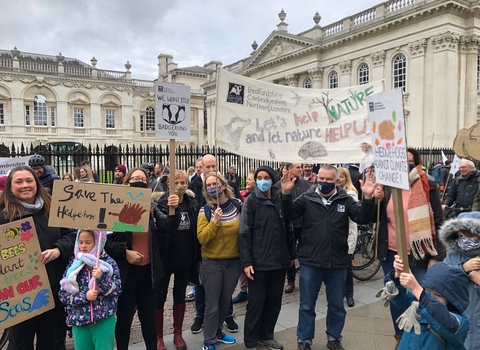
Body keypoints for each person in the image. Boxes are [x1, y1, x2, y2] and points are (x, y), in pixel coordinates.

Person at [281, 164, 377, 350]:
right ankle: (304, 340)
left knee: (336, 305)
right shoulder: (307, 198)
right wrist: (285, 195)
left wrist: (367, 198)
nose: (324, 182)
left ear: (337, 180)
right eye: (322, 179)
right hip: (311, 261)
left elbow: (362, 218)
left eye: (329, 179)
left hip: (337, 262)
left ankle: (334, 338)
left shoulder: (345, 199)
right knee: (307, 305)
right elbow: (289, 215)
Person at [0, 165, 76, 350]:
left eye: (29, 180)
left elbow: (72, 235)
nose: (25, 185)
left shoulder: (54, 209)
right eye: (19, 182)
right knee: (20, 342)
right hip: (21, 294)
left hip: (53, 287)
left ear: (37, 184)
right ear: (10, 188)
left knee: (51, 340)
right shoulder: (3, 217)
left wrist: (58, 249)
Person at [375, 148, 444, 349]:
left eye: (409, 162)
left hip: (419, 254)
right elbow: (373, 218)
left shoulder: (426, 184)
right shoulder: (387, 186)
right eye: (400, 161)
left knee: (421, 297)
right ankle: (400, 338)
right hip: (391, 253)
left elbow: (438, 221)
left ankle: (420, 339)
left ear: (416, 163)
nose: (404, 165)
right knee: (395, 295)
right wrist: (374, 199)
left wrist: (436, 257)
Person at [105, 167, 164, 350]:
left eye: (142, 179)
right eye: (134, 179)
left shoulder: (153, 207)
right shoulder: (116, 208)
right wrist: (125, 252)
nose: (138, 181)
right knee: (124, 317)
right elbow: (107, 242)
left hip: (148, 272)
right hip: (126, 273)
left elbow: (167, 226)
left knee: (148, 317)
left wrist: (172, 208)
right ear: (127, 182)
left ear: (148, 183)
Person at [240, 165, 296, 350]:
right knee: (256, 302)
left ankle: (267, 335)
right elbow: (244, 233)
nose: (263, 180)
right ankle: (250, 341)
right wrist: (246, 262)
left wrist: (291, 255)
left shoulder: (281, 198)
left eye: (266, 177)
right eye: (259, 177)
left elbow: (289, 226)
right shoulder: (251, 201)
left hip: (279, 260)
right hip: (258, 262)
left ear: (272, 179)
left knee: (274, 301)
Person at [190, 154, 237, 334]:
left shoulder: (231, 194)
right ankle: (201, 317)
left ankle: (227, 317)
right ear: (201, 166)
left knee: (225, 294)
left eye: (213, 166)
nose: (211, 169)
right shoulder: (194, 185)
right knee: (205, 290)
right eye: (207, 166)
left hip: (230, 255)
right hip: (206, 248)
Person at [380, 256, 469, 349]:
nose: (430, 296)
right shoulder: (418, 305)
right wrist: (397, 276)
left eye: (437, 295)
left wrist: (417, 289)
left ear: (452, 298)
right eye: (427, 291)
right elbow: (399, 296)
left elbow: (443, 319)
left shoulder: (460, 322)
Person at [154, 170, 201, 350]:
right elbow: (163, 226)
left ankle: (177, 333)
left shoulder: (192, 203)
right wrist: (169, 209)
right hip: (165, 259)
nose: (181, 186)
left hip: (185, 257)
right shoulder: (160, 203)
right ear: (169, 185)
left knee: (179, 295)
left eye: (184, 183)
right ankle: (158, 336)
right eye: (177, 182)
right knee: (160, 296)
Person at [198, 172, 242, 350]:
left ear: (223, 185)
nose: (211, 188)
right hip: (212, 262)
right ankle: (208, 341)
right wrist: (214, 221)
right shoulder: (205, 211)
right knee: (212, 304)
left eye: (214, 184)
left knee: (225, 302)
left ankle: (217, 331)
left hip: (233, 261)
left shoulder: (238, 205)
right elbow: (202, 238)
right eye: (208, 185)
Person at [59, 230, 122, 350]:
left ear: (98, 242)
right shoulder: (72, 267)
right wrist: (84, 296)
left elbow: (116, 290)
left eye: (88, 242)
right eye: (80, 242)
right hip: (79, 321)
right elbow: (63, 296)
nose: (83, 246)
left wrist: (101, 278)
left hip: (103, 320)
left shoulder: (108, 264)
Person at [440, 211, 480, 349]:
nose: (465, 240)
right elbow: (440, 280)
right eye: (461, 236)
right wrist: (462, 269)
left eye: (470, 236)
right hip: (458, 323)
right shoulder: (453, 257)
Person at [281, 163, 310, 294]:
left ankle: (306, 279)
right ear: (289, 169)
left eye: (300, 167)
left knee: (304, 253)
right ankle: (290, 281)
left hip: (304, 224)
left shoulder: (305, 183)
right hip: (289, 224)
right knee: (290, 253)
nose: (300, 169)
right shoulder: (282, 183)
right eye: (297, 167)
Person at [337, 167, 358, 308]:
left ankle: (349, 294)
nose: (339, 179)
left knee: (347, 266)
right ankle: (338, 292)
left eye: (342, 177)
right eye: (337, 176)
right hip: (335, 235)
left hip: (347, 234)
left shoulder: (350, 194)